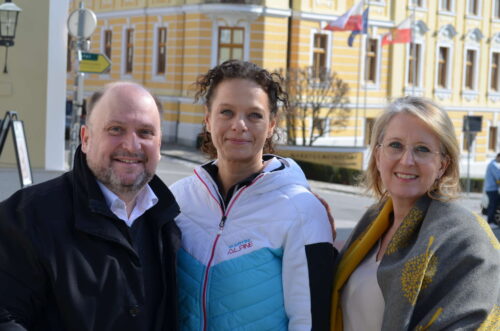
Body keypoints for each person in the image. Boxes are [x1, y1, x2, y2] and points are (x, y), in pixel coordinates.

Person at [170, 60, 337, 330]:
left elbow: (309, 321)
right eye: (226, 112)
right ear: (207, 119)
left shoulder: (303, 210)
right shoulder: (177, 200)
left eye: (254, 115)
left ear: (272, 124)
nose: (239, 125)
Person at [0, 82, 181, 330]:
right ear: (86, 139)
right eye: (115, 129)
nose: (131, 145)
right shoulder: (24, 217)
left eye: (145, 132)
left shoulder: (170, 222)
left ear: (159, 145)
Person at [330, 96, 500, 330]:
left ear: (442, 165)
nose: (407, 160)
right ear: (378, 156)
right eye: (395, 145)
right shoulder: (371, 223)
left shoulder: (466, 238)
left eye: (422, 149)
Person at [484, 153, 500, 225]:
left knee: (493, 205)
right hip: (492, 189)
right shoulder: (493, 165)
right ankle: (490, 221)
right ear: (498, 157)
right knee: (493, 205)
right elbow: (498, 177)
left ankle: (491, 221)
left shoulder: (492, 164)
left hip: (491, 188)